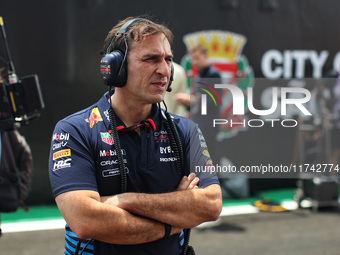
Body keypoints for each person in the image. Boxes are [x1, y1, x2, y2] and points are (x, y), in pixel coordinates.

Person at [49, 16, 222, 255]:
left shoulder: (186, 130)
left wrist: (124, 200)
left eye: (168, 59)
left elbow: (210, 206)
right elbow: (85, 220)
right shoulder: (74, 130)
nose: (164, 70)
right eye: (151, 59)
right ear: (115, 67)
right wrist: (175, 218)